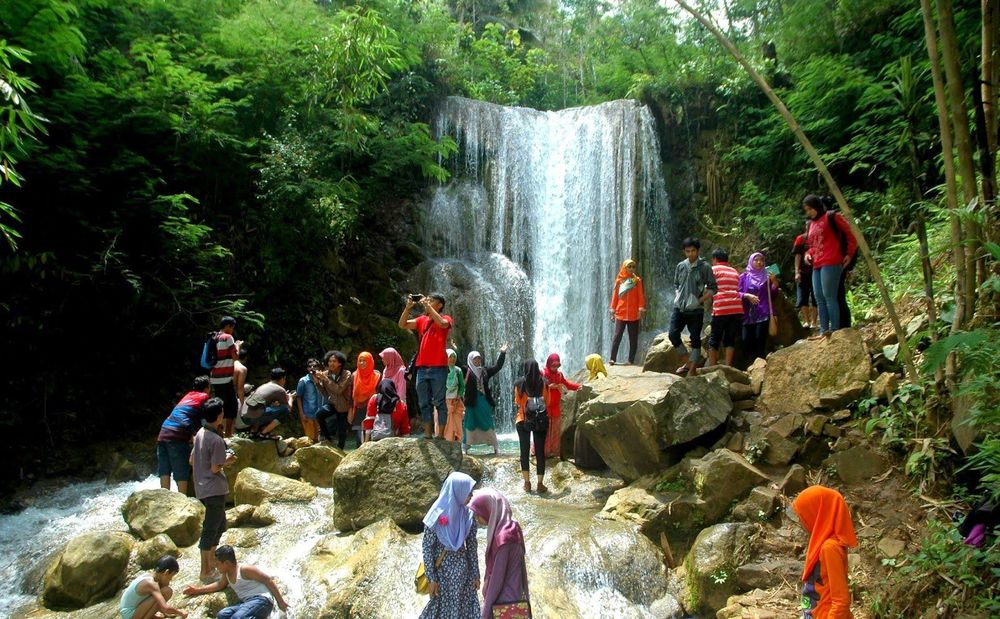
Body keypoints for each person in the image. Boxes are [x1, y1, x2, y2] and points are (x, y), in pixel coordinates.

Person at [419, 472, 480, 619]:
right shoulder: (435, 515)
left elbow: (472, 546)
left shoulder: (468, 515)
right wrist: (432, 578)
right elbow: (427, 548)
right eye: (468, 492)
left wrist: (475, 575)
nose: (471, 496)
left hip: (464, 578)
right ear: (457, 491)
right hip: (442, 578)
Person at [790, 485, 858, 619]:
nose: (800, 521)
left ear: (817, 513)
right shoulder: (820, 543)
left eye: (803, 515)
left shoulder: (830, 548)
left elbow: (841, 601)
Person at [190, 397, 236, 582]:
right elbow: (216, 468)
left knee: (219, 525)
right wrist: (228, 459)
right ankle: (205, 571)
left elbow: (192, 460)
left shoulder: (200, 433)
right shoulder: (216, 439)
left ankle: (211, 565)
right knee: (211, 529)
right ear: (218, 416)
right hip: (213, 488)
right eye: (222, 412)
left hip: (202, 487)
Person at [399, 293, 454, 439]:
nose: (427, 302)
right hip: (422, 367)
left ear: (439, 305)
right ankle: (428, 435)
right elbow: (402, 324)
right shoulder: (421, 320)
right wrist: (408, 307)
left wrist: (427, 306)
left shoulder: (446, 318)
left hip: (439, 367)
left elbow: (442, 324)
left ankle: (440, 436)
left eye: (431, 300)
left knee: (439, 402)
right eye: (427, 300)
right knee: (423, 402)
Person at [802, 195, 857, 338]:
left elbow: (851, 234)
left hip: (832, 260)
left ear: (817, 206)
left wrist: (849, 254)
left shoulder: (832, 216)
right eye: (806, 210)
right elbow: (813, 245)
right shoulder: (810, 224)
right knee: (818, 297)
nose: (809, 212)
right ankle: (823, 330)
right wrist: (808, 254)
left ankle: (835, 330)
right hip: (817, 263)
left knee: (830, 297)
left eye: (810, 209)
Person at [468, 489, 529, 619]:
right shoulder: (513, 528)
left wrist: (485, 614)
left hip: (504, 605)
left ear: (491, 510)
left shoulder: (503, 537)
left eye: (479, 513)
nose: (477, 519)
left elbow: (496, 581)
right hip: (517, 599)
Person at [183, 545, 289, 618]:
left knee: (238, 617)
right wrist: (196, 590)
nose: (215, 565)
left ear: (227, 563)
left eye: (218, 563)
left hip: (262, 600)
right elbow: (219, 585)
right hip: (246, 603)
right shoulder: (226, 574)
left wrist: (280, 602)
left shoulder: (245, 569)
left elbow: (268, 580)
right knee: (222, 615)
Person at [668, 237, 717, 376]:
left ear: (698, 250)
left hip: (696, 310)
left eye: (693, 251)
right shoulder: (680, 266)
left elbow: (713, 288)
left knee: (695, 338)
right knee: (673, 334)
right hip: (679, 307)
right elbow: (676, 284)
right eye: (688, 251)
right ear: (684, 251)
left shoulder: (705, 267)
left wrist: (700, 299)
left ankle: (692, 368)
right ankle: (687, 361)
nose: (691, 254)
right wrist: (677, 295)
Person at [157, 376, 211, 494]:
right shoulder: (204, 397)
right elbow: (204, 419)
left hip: (163, 432)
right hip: (177, 435)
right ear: (207, 388)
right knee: (181, 471)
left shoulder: (188, 396)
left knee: (164, 470)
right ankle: (183, 502)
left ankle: (163, 498)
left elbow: (187, 417)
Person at [463, 346, 507, 455]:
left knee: (487, 421)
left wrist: (502, 353)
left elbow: (498, 367)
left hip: (483, 400)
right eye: (475, 359)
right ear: (470, 360)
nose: (478, 361)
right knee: (469, 422)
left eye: (479, 359)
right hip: (471, 402)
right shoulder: (466, 371)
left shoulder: (485, 371)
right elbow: (455, 363)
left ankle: (495, 446)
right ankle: (466, 446)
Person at [514, 360, 549, 493]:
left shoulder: (519, 383)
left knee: (524, 451)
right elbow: (548, 401)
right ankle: (540, 484)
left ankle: (527, 483)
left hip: (523, 420)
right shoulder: (544, 383)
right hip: (540, 420)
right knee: (540, 452)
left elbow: (517, 401)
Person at [739, 252, 779, 363]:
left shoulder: (767, 275)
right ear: (751, 261)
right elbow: (736, 293)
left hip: (763, 311)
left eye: (761, 260)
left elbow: (774, 294)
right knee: (746, 339)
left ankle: (760, 363)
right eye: (756, 260)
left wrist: (774, 281)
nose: (759, 262)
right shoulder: (743, 277)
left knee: (760, 338)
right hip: (748, 314)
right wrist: (746, 295)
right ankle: (749, 364)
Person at [119, 555, 187, 619]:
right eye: (171, 576)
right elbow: (165, 607)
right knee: (167, 591)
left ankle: (150, 616)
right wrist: (180, 612)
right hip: (129, 614)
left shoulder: (149, 576)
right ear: (166, 572)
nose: (171, 579)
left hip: (127, 612)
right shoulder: (152, 584)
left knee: (162, 591)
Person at [707, 248, 744, 367]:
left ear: (715, 259)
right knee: (730, 338)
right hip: (736, 308)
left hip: (721, 308)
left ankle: (713, 367)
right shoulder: (734, 271)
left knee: (714, 339)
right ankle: (728, 366)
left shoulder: (713, 270)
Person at [608, 259, 647, 365]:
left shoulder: (637, 281)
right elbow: (615, 296)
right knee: (617, 336)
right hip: (621, 312)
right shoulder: (619, 281)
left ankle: (631, 360)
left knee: (633, 338)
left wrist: (641, 308)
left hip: (633, 313)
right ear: (624, 268)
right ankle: (612, 358)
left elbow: (640, 295)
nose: (631, 269)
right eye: (629, 267)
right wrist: (612, 309)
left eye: (633, 267)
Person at [541, 353, 580, 460]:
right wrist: (549, 387)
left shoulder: (559, 375)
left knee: (556, 430)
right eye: (553, 365)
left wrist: (579, 387)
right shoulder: (543, 374)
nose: (555, 368)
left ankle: (554, 451)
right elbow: (539, 387)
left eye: (557, 366)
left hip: (556, 407)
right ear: (549, 364)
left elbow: (568, 385)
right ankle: (543, 451)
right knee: (547, 429)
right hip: (546, 406)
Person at [210, 316, 242, 437]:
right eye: (232, 327)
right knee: (232, 406)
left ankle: (219, 430)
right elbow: (235, 357)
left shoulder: (214, 337)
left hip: (214, 378)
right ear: (228, 326)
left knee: (219, 405)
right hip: (225, 378)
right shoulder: (228, 337)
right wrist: (238, 345)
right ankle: (228, 433)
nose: (232, 330)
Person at [314, 350, 353, 448]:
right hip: (332, 403)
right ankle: (328, 438)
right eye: (330, 361)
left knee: (342, 430)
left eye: (334, 361)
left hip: (343, 405)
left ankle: (340, 450)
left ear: (340, 363)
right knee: (319, 414)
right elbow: (325, 393)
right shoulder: (326, 373)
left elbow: (339, 390)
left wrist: (325, 379)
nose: (331, 363)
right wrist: (317, 382)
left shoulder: (346, 374)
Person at [242, 367, 292, 440]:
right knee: (285, 410)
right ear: (282, 379)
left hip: (244, 417)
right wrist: (290, 398)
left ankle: (253, 432)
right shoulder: (280, 389)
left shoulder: (263, 386)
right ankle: (264, 433)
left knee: (262, 409)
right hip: (252, 418)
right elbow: (288, 408)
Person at [352, 351, 381, 444]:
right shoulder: (354, 375)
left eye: (364, 360)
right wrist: (350, 410)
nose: (362, 363)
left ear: (370, 361)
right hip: (358, 407)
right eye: (360, 360)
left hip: (372, 407)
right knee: (358, 436)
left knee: (371, 434)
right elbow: (350, 394)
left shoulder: (377, 376)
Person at [295, 358, 325, 443]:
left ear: (318, 367)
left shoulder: (322, 379)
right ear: (307, 369)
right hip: (308, 413)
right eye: (310, 366)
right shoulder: (303, 381)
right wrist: (301, 413)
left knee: (319, 440)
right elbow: (298, 397)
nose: (312, 368)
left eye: (315, 366)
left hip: (320, 413)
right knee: (310, 440)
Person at [793, 229, 818, 329]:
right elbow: (797, 256)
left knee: (816, 296)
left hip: (817, 271)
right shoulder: (801, 239)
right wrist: (797, 272)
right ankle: (806, 321)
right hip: (803, 273)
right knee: (803, 297)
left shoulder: (818, 238)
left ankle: (814, 322)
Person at [442, 349, 466, 442]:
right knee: (445, 424)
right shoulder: (441, 369)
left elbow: (462, 386)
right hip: (443, 401)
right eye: (450, 357)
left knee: (457, 425)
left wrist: (459, 396)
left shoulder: (458, 370)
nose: (452, 359)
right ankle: (445, 445)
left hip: (456, 401)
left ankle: (457, 445)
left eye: (454, 357)